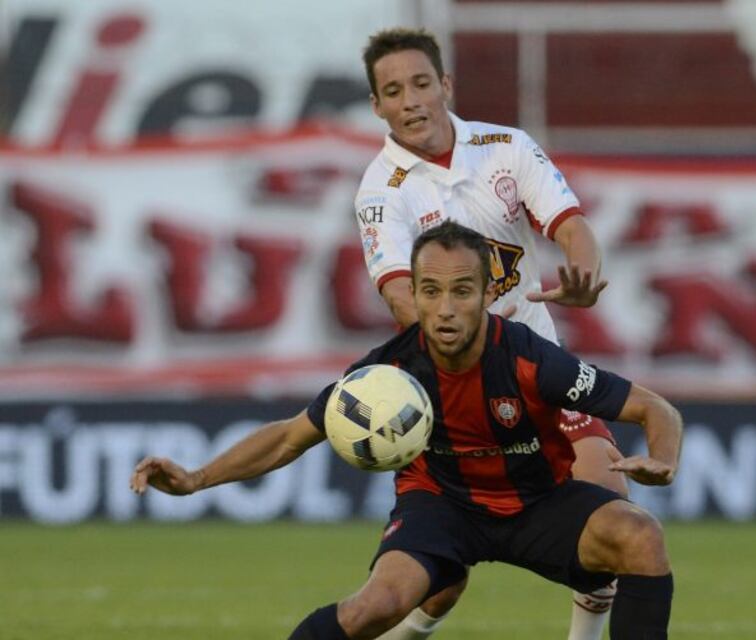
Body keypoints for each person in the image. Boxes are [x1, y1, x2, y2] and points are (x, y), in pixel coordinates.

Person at [131, 221, 683, 640]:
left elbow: (655, 408)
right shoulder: (384, 374)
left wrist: (663, 457)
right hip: (441, 506)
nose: (445, 309)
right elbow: (289, 435)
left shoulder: (532, 360)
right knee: (375, 607)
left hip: (536, 503)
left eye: (462, 291)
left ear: (489, 293)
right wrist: (197, 478)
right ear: (412, 294)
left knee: (640, 535)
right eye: (430, 291)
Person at [355, 28, 626, 639]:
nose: (411, 100)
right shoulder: (381, 191)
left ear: (445, 85)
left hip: (538, 371)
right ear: (377, 107)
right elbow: (401, 298)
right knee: (441, 579)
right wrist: (476, 344)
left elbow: (570, 223)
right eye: (393, 91)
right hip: (452, 387)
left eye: (421, 83)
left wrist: (584, 270)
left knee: (614, 520)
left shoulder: (506, 148)